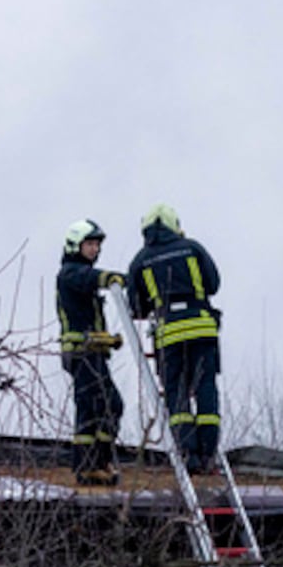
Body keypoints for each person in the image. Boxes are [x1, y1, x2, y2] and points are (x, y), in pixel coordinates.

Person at [124, 203, 222, 464]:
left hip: (169, 334)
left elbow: (134, 305)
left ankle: (188, 453)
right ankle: (208, 449)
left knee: (176, 392)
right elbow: (213, 284)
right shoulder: (193, 248)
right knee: (205, 386)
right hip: (202, 328)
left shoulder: (140, 260)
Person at [55, 218, 125, 484]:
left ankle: (98, 462)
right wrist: (114, 279)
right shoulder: (70, 272)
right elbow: (92, 278)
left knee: (107, 406)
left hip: (91, 351)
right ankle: (87, 467)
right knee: (93, 407)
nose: (95, 249)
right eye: (90, 244)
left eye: (97, 244)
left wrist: (108, 341)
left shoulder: (78, 274)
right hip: (80, 353)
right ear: (76, 245)